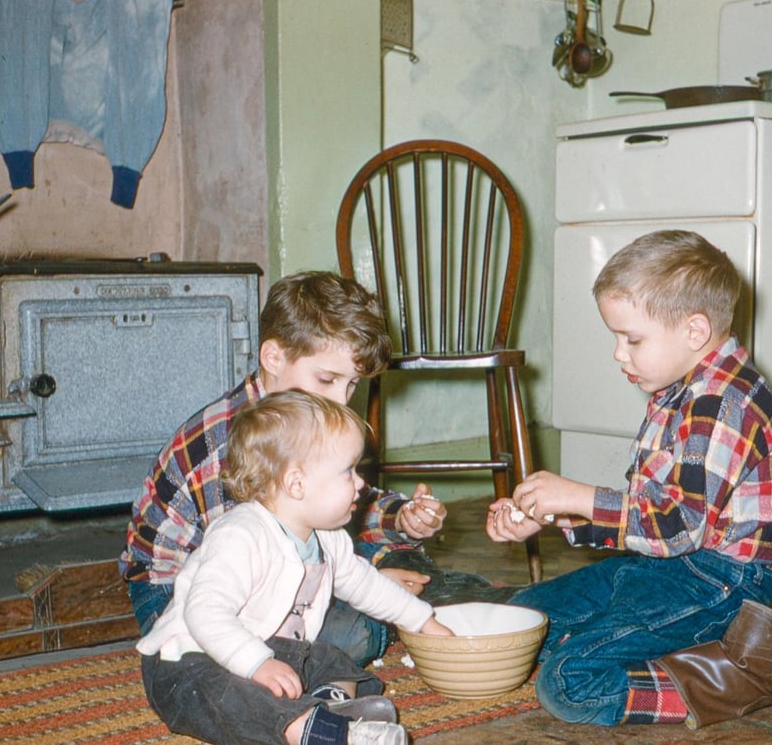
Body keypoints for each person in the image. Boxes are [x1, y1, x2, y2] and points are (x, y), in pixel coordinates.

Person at [486, 230, 772, 728]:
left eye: (632, 339)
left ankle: (748, 677)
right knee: (525, 621)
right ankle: (674, 649)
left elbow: (678, 526)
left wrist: (581, 496)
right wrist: (557, 515)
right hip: (663, 565)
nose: (619, 354)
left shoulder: (723, 405)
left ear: (694, 331)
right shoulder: (682, 390)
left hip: (721, 584)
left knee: (568, 681)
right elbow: (651, 514)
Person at [120, 270, 511, 666]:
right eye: (327, 379)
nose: (340, 400)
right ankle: (404, 611)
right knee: (347, 634)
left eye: (352, 384)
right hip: (183, 594)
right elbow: (256, 565)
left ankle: (415, 597)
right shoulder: (232, 441)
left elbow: (327, 499)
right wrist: (360, 583)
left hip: (288, 556)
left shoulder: (308, 415)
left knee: (396, 559)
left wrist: (401, 517)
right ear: (273, 358)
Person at [137, 390, 453, 744]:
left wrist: (422, 620)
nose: (361, 483)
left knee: (330, 658)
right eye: (348, 472)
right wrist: (257, 663)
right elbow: (204, 613)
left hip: (265, 643)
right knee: (227, 694)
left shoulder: (328, 537)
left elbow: (367, 584)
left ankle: (330, 704)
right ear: (296, 484)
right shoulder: (240, 535)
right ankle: (311, 731)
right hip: (189, 659)